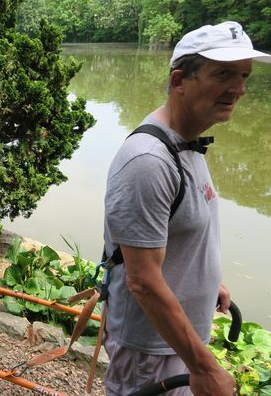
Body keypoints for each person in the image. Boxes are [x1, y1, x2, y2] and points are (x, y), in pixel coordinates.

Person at [102, 21, 271, 396]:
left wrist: (207, 282)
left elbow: (181, 229)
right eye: (223, 74)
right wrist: (205, 368)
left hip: (177, 337)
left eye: (244, 75)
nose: (239, 89)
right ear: (179, 80)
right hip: (152, 349)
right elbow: (142, 280)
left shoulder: (187, 141)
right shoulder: (148, 160)